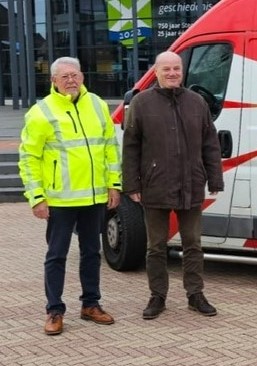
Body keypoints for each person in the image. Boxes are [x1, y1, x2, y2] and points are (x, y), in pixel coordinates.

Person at [19, 56, 122, 335]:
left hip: (94, 198)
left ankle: (91, 304)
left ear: (82, 77)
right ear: (53, 80)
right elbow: (28, 157)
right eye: (64, 76)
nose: (71, 80)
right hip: (60, 201)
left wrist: (114, 184)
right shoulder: (41, 112)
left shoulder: (99, 105)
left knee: (91, 253)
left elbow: (111, 148)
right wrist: (37, 197)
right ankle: (54, 310)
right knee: (56, 256)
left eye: (75, 75)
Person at [122, 51, 224, 320]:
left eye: (176, 69)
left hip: (191, 184)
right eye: (166, 69)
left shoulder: (197, 102)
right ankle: (157, 296)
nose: (172, 73)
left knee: (193, 244)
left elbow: (210, 144)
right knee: (156, 246)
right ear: (156, 71)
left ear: (182, 71)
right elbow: (130, 147)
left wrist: (215, 178)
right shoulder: (141, 103)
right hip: (155, 186)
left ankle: (195, 294)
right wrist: (131, 184)